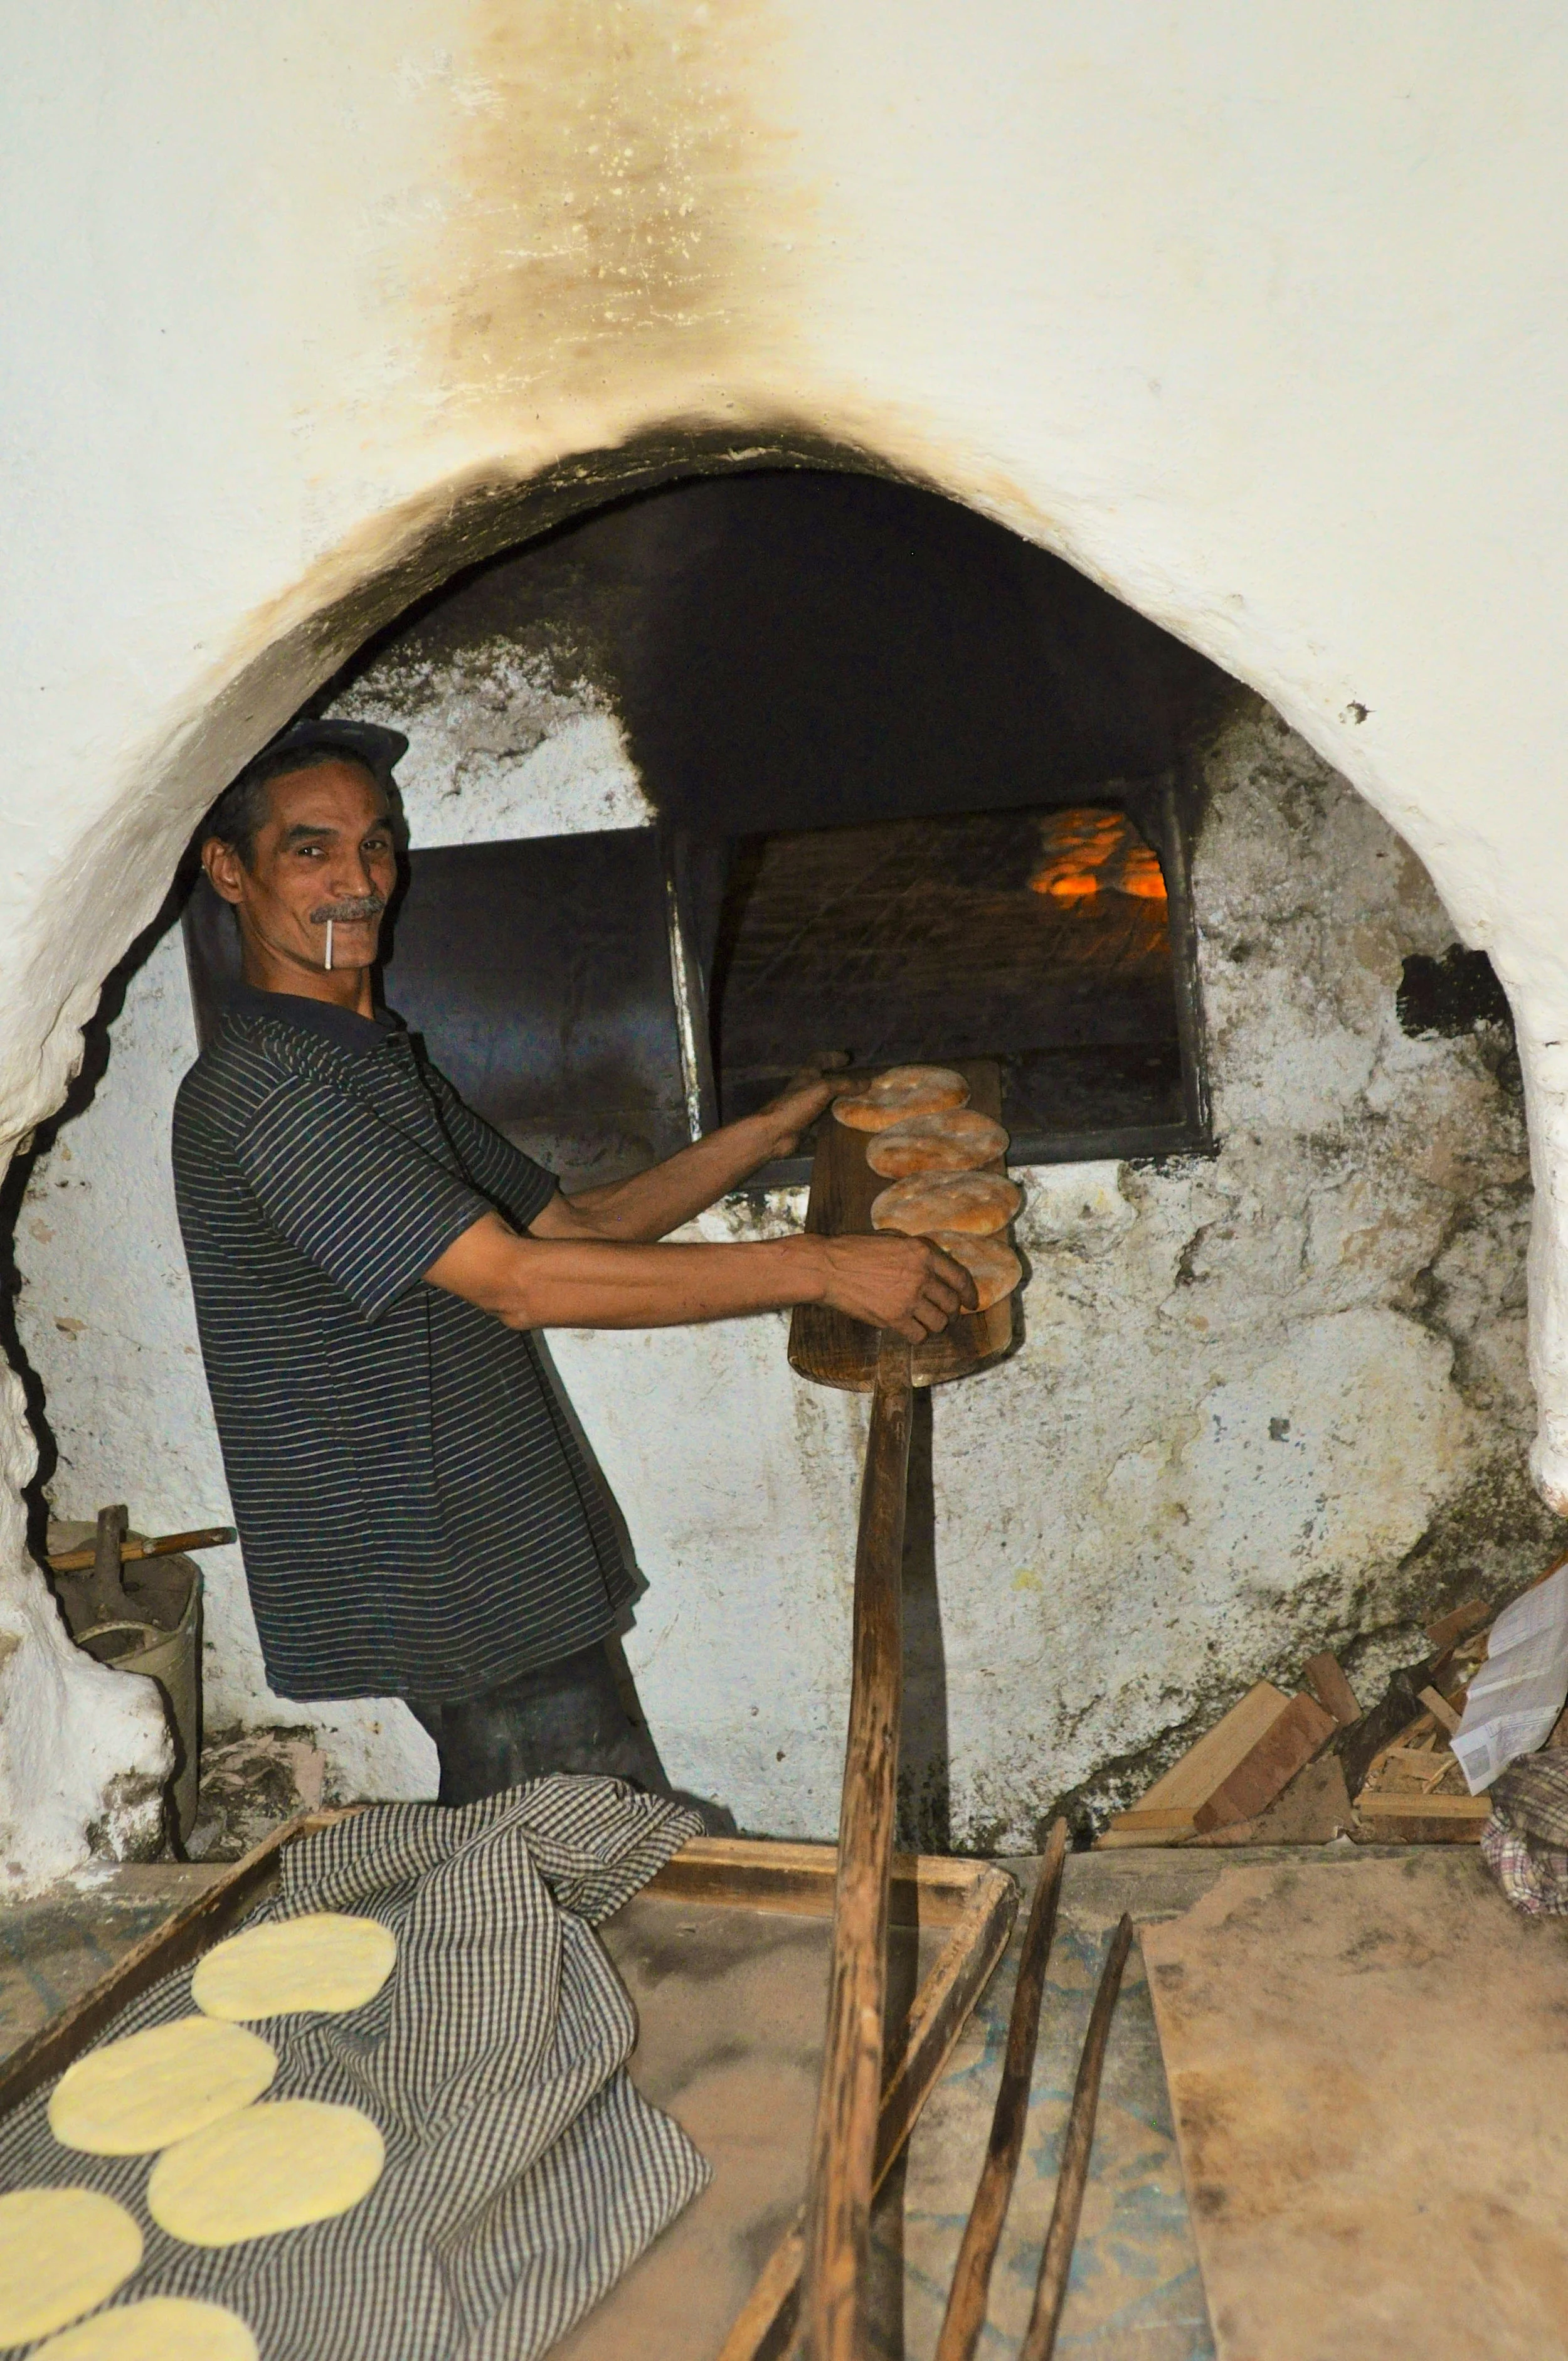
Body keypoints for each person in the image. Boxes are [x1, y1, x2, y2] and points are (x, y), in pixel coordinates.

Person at [172, 719, 974, 1809]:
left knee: (572, 1830)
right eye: (312, 850)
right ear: (231, 870)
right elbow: (517, 1282)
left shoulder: (368, 1058)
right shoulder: (270, 1087)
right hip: (441, 1556)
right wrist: (819, 1267)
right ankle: (506, 1983)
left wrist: (764, 1135)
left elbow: (581, 1230)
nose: (358, 881)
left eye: (377, 845)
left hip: (491, 1527)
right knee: (562, 1848)